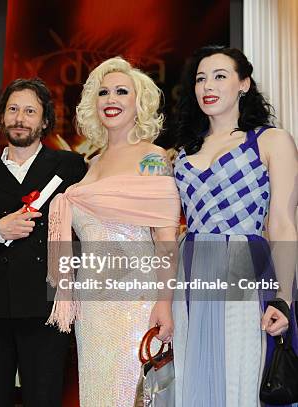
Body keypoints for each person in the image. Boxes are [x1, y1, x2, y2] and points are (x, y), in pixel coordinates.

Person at [45, 57, 180, 406]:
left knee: (131, 393)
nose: (111, 98)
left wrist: (164, 303)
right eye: (103, 92)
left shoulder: (152, 157)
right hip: (92, 307)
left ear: (140, 103)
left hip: (136, 297)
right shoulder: (90, 165)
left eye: (122, 91)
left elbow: (166, 241)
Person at [172, 45, 297, 406]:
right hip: (190, 269)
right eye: (200, 79)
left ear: (244, 84)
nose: (207, 86)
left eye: (220, 76)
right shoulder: (182, 152)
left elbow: (284, 225)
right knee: (189, 376)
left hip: (246, 265)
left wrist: (285, 299)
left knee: (241, 375)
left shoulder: (271, 141)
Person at [0, 78, 87, 407]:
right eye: (13, 110)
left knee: (43, 399)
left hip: (46, 305)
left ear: (44, 121)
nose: (20, 118)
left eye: (30, 111)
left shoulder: (68, 167)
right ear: (2, 118)